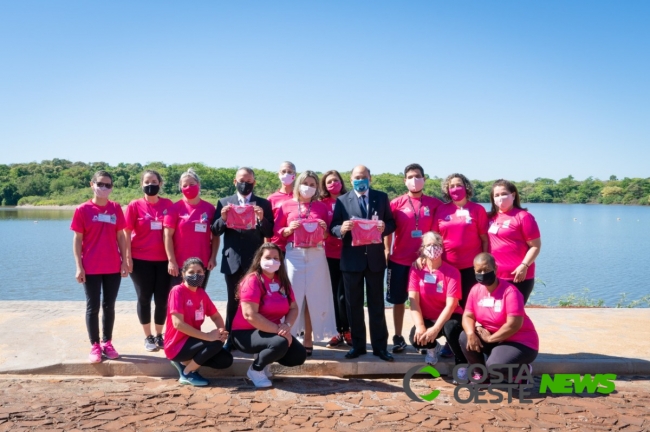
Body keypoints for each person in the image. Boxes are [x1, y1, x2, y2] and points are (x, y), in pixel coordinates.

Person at [330, 165, 396, 362]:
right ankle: (358, 346)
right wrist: (342, 228)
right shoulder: (342, 200)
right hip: (351, 260)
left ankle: (380, 348)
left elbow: (392, 223)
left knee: (377, 306)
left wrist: (384, 227)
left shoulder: (381, 197)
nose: (361, 180)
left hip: (375, 260)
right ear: (351, 180)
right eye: (357, 177)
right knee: (353, 307)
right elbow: (333, 227)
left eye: (364, 177)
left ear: (370, 178)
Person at [211, 167, 274, 350]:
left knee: (255, 301)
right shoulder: (224, 202)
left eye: (248, 181)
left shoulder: (263, 204)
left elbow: (269, 232)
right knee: (233, 300)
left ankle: (255, 336)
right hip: (232, 260)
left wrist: (262, 219)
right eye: (241, 180)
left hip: (254, 261)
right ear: (234, 181)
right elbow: (215, 230)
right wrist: (222, 219)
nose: (244, 184)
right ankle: (230, 338)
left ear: (254, 183)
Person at [275, 170, 337, 356]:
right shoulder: (286, 205)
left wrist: (325, 230)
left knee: (314, 298)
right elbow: (277, 232)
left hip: (316, 254)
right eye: (305, 183)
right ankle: (289, 337)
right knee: (292, 297)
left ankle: (308, 337)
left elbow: (327, 235)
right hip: (294, 254)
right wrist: (287, 229)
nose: (308, 187)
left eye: (312, 184)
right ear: (298, 184)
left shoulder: (321, 206)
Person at [71, 170, 128, 363]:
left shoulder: (115, 208)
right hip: (91, 267)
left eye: (108, 185)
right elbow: (77, 239)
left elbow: (121, 235)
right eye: (100, 184)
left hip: (113, 265)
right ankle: (94, 345)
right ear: (92, 184)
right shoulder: (82, 210)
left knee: (109, 305)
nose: (104, 188)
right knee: (93, 306)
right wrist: (79, 266)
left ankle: (107, 343)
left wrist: (125, 260)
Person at [231, 243, 306, 388]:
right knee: (279, 343)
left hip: (272, 331)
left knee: (298, 355)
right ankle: (256, 370)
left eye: (275, 258)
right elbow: (249, 314)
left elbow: (294, 308)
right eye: (268, 257)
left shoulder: (282, 280)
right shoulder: (253, 280)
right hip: (245, 333)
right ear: (259, 259)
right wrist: (279, 331)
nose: (272, 261)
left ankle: (264, 359)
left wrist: (287, 326)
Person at [385, 163, 441, 354]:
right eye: (410, 177)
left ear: (424, 179)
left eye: (417, 176)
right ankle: (398, 337)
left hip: (425, 262)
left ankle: (423, 335)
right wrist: (387, 250)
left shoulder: (434, 204)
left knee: (423, 299)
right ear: (404, 180)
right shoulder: (396, 203)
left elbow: (439, 232)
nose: (414, 180)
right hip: (399, 259)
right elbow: (388, 229)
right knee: (398, 300)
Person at [459, 253, 539, 381]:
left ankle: (522, 371)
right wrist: (470, 333)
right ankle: (480, 375)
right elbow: (468, 315)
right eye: (479, 270)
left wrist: (490, 339)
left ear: (495, 269)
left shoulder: (510, 292)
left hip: (519, 341)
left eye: (486, 269)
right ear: (474, 270)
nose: (483, 273)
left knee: (495, 367)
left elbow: (514, 324)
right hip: (495, 338)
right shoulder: (475, 290)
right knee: (464, 337)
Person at [124, 170, 174, 352]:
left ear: (160, 184)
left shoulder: (168, 205)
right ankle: (148, 336)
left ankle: (159, 335)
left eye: (154, 181)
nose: (150, 184)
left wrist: (172, 259)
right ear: (142, 184)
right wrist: (127, 258)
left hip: (163, 261)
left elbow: (172, 232)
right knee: (144, 298)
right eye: (147, 181)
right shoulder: (134, 205)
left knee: (161, 300)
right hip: (140, 261)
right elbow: (126, 233)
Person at [165, 258, 233, 387]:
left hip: (193, 340)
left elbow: (216, 317)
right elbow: (178, 324)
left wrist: (221, 331)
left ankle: (184, 363)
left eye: (199, 271)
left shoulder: (201, 293)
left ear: (204, 274)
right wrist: (208, 337)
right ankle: (187, 373)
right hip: (176, 345)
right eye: (191, 272)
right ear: (183, 274)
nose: (195, 275)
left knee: (225, 360)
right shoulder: (177, 291)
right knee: (215, 341)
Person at [408, 232, 467, 369]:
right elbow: (413, 301)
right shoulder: (416, 270)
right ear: (422, 249)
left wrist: (435, 328)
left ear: (442, 247)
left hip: (449, 316)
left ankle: (461, 364)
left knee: (451, 329)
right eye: (428, 245)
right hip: (428, 317)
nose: (432, 248)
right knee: (415, 338)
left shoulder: (452, 272)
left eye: (436, 245)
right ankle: (433, 347)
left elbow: (451, 304)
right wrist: (420, 325)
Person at [433, 173, 489, 308]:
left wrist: (485, 262)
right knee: (448, 304)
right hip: (447, 266)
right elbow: (434, 237)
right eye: (451, 186)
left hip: (471, 267)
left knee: (469, 304)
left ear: (466, 187)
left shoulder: (477, 209)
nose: (455, 188)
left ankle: (470, 329)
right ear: (447, 190)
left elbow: (484, 239)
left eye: (459, 185)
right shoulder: (441, 209)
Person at [487, 179, 541, 303]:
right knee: (496, 313)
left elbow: (535, 246)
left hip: (518, 276)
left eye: (504, 193)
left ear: (513, 195)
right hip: (494, 276)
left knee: (515, 314)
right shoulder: (489, 217)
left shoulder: (524, 217)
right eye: (497, 195)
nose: (501, 197)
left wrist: (524, 266)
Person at [163, 168, 218, 288]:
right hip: (179, 263)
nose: (188, 187)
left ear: (198, 185)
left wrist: (213, 257)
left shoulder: (209, 208)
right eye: (185, 185)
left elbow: (215, 236)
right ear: (180, 188)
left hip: (202, 263)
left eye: (192, 184)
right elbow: (167, 236)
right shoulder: (174, 208)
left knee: (198, 297)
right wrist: (171, 261)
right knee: (179, 296)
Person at [319, 170, 352, 348]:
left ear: (342, 182)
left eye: (336, 180)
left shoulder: (349, 199)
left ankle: (349, 330)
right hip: (328, 255)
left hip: (349, 253)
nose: (333, 184)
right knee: (332, 296)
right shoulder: (321, 203)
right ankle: (336, 332)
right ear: (324, 185)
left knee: (345, 296)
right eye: (329, 181)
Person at [267, 161, 297, 252]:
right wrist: (267, 247)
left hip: (296, 245)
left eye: (290, 172)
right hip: (276, 245)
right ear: (278, 174)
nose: (286, 174)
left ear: (294, 175)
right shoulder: (271, 198)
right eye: (283, 172)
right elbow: (267, 226)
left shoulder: (300, 197)